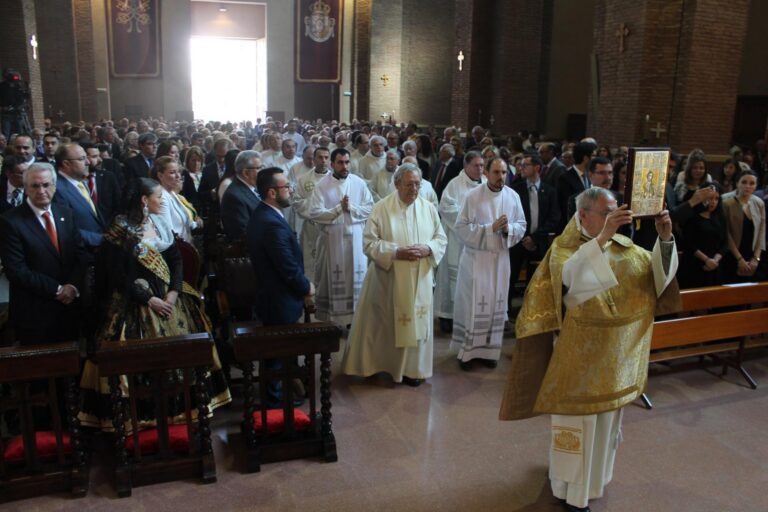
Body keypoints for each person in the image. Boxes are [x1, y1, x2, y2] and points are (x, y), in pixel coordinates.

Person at [499, 187, 680, 512]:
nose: (615, 217)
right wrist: (604, 235)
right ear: (583, 215)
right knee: (576, 429)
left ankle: (593, 483)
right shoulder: (564, 249)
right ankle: (568, 491)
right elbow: (572, 285)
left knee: (604, 429)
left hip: (613, 364)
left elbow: (659, 282)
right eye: (606, 212)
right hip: (577, 363)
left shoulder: (628, 249)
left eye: (615, 211)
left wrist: (664, 240)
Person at [79, 178, 231, 431]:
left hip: (171, 300)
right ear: (143, 200)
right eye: (158, 197)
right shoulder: (119, 229)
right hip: (134, 304)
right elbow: (117, 274)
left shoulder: (159, 222)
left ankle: (182, 411)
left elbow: (176, 260)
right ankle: (142, 418)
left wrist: (173, 293)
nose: (162, 201)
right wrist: (149, 299)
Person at [341, 164, 447, 386]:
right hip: (387, 279)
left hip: (420, 279)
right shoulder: (381, 208)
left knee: (416, 325)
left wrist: (428, 249)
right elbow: (369, 243)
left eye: (417, 184)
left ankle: (412, 370)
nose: (414, 189)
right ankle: (378, 365)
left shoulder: (428, 208)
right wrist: (396, 252)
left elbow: (441, 238)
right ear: (397, 184)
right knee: (384, 325)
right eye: (409, 184)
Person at [452, 157, 526, 369]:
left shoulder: (513, 197)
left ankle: (490, 352)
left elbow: (521, 225)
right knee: (475, 304)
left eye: (504, 173)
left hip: (500, 260)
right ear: (487, 173)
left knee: (496, 305)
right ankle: (467, 354)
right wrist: (490, 228)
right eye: (496, 172)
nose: (500, 177)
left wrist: (507, 230)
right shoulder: (472, 196)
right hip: (476, 261)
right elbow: (461, 229)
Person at [0, 162, 86, 344]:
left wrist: (73, 286)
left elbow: (81, 255)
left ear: (54, 186)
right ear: (25, 188)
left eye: (46, 185)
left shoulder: (66, 213)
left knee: (72, 364)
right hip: (35, 311)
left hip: (71, 307)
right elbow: (16, 270)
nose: (41, 191)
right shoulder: (10, 221)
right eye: (35, 186)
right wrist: (58, 290)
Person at [306, 148, 373, 326]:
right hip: (332, 241)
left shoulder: (359, 183)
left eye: (347, 162)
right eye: (340, 162)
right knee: (334, 278)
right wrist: (338, 209)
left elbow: (369, 208)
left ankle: (355, 321)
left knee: (356, 277)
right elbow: (314, 213)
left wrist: (351, 208)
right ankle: (333, 321)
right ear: (332, 164)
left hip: (356, 240)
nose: (344, 166)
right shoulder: (322, 185)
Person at [434, 151, 486, 333]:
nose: (479, 169)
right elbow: (446, 207)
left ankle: (468, 314)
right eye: (476, 165)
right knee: (450, 277)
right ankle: (447, 315)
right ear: (466, 166)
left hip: (478, 241)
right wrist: (469, 221)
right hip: (456, 239)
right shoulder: (455, 184)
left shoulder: (487, 184)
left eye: (482, 165)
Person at [509, 153, 560, 298]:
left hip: (539, 242)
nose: (521, 168)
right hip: (518, 242)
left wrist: (534, 238)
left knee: (535, 281)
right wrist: (524, 237)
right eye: (520, 165)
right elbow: (512, 216)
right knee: (512, 277)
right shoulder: (515, 190)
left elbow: (554, 218)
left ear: (537, 167)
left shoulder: (549, 191)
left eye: (525, 165)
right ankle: (507, 312)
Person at [53, 142, 106, 250]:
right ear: (66, 164)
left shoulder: (80, 181)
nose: (88, 162)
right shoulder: (57, 190)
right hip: (81, 253)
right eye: (82, 159)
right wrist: (102, 239)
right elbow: (65, 230)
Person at [293, 147, 331, 283]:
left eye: (326, 157)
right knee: (311, 261)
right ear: (314, 159)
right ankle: (312, 294)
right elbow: (297, 202)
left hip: (330, 228)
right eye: (320, 157)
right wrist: (317, 208)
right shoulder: (304, 180)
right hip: (311, 228)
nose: (323, 160)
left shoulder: (336, 179)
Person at [679, 183, 727, 288]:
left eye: (716, 199)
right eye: (710, 198)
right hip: (694, 265)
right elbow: (688, 243)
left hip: (715, 265)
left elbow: (725, 242)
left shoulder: (720, 217)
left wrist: (715, 260)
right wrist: (706, 260)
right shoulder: (692, 217)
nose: (713, 202)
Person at [722, 171, 765, 282]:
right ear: (737, 183)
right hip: (732, 255)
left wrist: (756, 258)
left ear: (756, 186)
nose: (748, 186)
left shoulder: (759, 203)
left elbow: (761, 232)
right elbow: (726, 234)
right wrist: (739, 259)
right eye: (744, 182)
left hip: (752, 257)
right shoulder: (727, 203)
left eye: (752, 183)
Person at [151, 156, 202, 243]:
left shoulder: (172, 192)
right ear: (160, 175)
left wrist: (196, 224)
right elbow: (169, 233)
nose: (178, 176)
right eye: (172, 172)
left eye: (178, 172)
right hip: (179, 248)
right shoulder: (162, 197)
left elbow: (185, 221)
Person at [220, 150, 262, 242]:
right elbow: (243, 233)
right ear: (246, 173)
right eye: (259, 168)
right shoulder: (234, 197)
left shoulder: (252, 187)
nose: (262, 171)